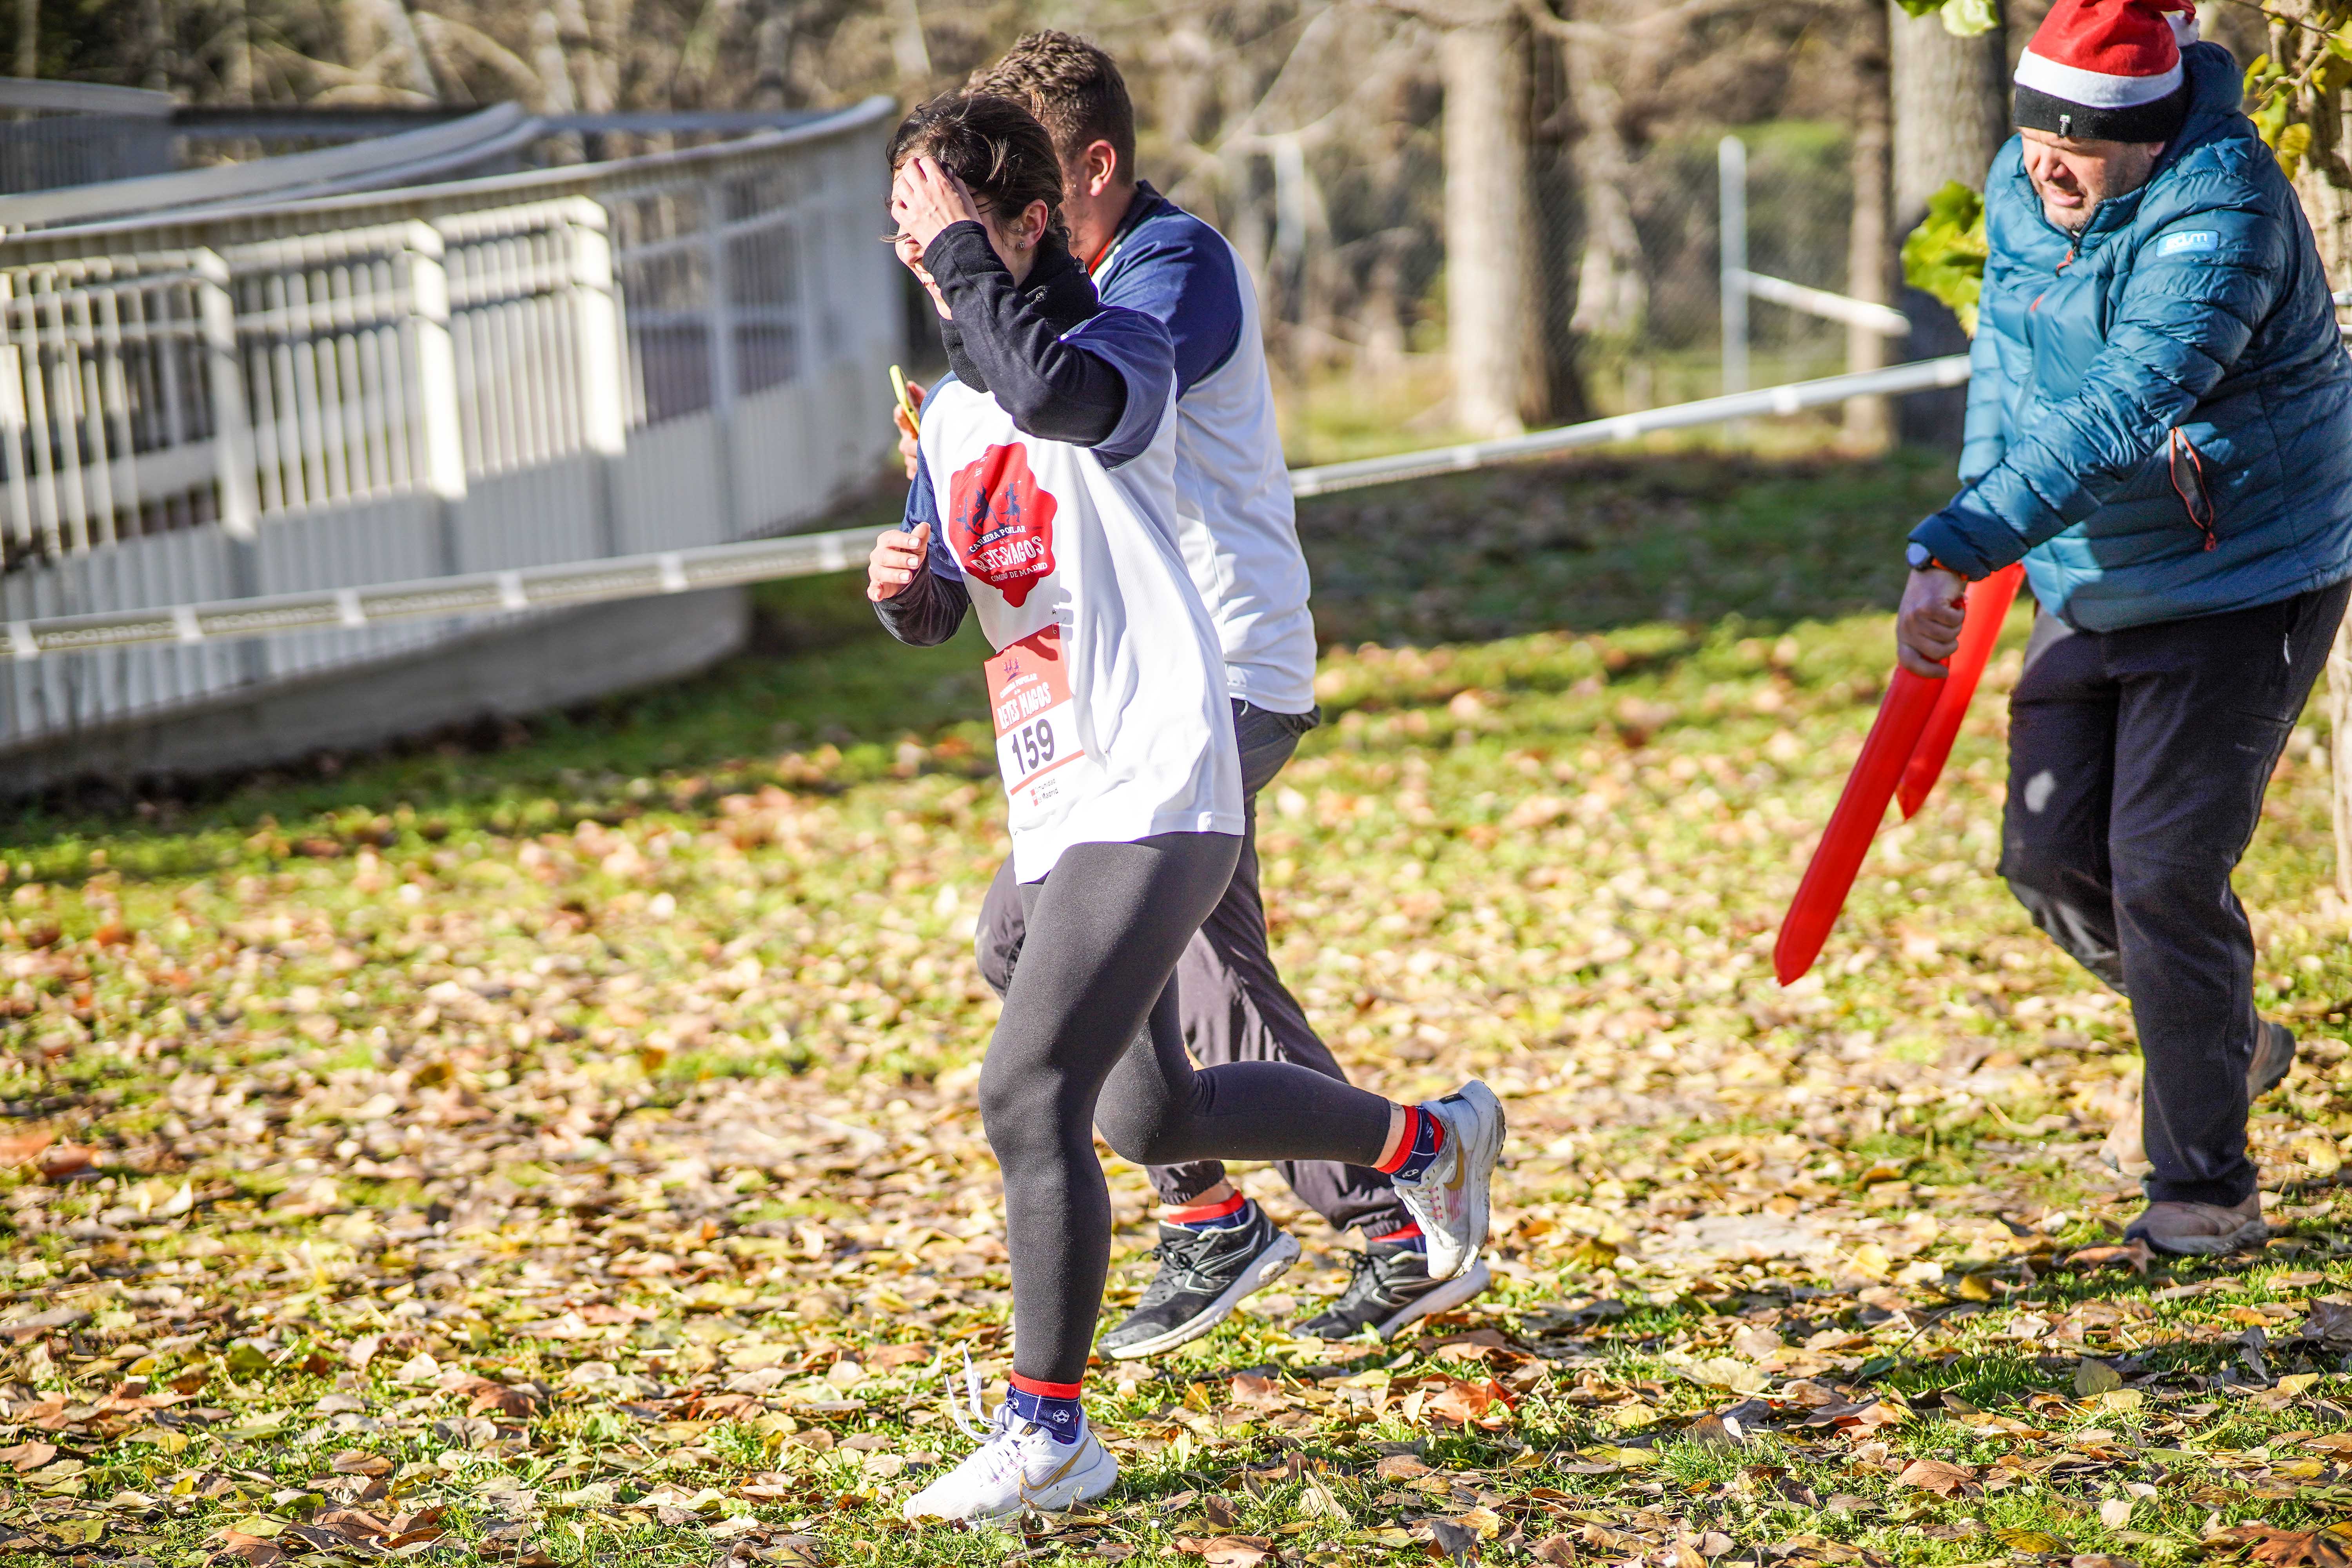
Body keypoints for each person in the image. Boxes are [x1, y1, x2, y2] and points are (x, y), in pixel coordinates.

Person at [865, 93, 1506, 1524]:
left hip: (1163, 773)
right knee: (1153, 1115)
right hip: (1062, 787)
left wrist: (977, 262)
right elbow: (969, 596)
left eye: (944, 229)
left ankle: (1052, 1432)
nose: (926, 260)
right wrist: (913, 595)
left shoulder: (1120, 337)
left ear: (1028, 222)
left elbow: (1067, 403)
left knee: (1024, 1090)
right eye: (908, 235)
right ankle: (1424, 1144)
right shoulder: (957, 407)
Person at [1895, 0, 2352, 1257]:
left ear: (2149, 140)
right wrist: (1968, 542)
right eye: (2036, 133)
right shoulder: (2019, 183)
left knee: (2162, 870)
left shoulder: (2224, 212)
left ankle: (2205, 1187)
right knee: (2045, 861)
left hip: (2243, 578)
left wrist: (1963, 538)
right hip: (2086, 569)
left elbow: (2124, 401)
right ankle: (2222, 1038)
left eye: (2082, 143)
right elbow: (2010, 368)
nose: (2050, 162)